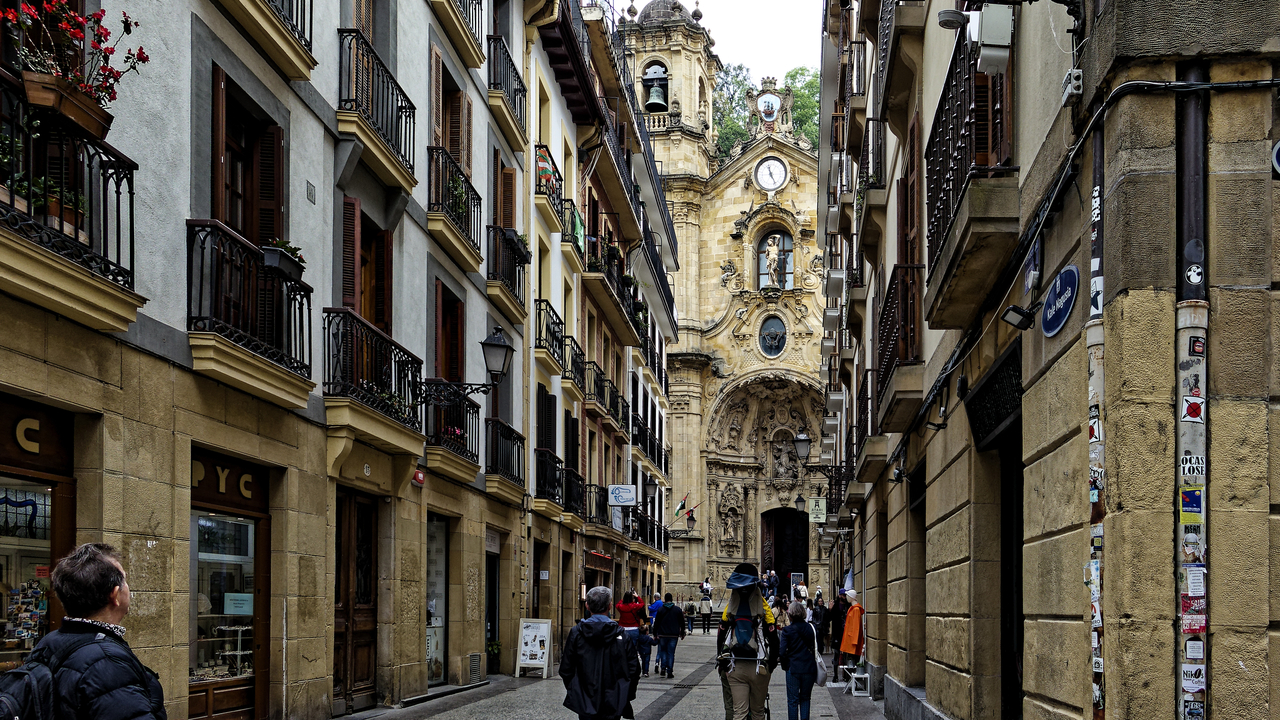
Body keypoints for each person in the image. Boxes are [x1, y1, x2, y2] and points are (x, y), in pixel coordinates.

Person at [33, 542, 166, 720]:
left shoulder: (48, 642)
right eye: (125, 581)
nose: (128, 588)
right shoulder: (108, 662)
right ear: (115, 595)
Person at [561, 586, 640, 720]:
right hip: (614, 699)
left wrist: (577, 691)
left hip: (585, 698)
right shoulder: (622, 635)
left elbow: (566, 668)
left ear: (587, 606)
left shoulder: (577, 633)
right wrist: (623, 695)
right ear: (610, 606)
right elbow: (634, 670)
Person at [717, 562, 778, 720]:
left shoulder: (731, 607)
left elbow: (721, 633)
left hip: (735, 666)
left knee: (739, 713)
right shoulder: (764, 607)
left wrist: (722, 662)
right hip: (758, 667)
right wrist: (771, 665)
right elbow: (774, 639)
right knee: (758, 712)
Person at [779, 602, 819, 720]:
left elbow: (782, 652)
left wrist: (785, 665)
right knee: (805, 699)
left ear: (790, 615)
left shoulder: (787, 630)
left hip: (793, 668)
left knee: (793, 701)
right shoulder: (811, 628)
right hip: (809, 668)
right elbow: (818, 647)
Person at [652, 592, 686, 678]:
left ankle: (663, 668)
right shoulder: (677, 610)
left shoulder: (660, 610)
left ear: (665, 599)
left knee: (663, 651)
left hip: (662, 634)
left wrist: (655, 634)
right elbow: (682, 622)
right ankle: (670, 671)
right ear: (672, 599)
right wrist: (682, 633)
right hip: (673, 635)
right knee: (671, 653)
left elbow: (656, 623)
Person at [839, 590, 866, 671]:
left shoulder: (856, 610)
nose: (846, 597)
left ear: (851, 597)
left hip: (852, 640)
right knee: (849, 662)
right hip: (850, 638)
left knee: (851, 662)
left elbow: (856, 626)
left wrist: (854, 640)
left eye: (848, 596)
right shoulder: (852, 609)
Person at [830, 591, 849, 667]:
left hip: (846, 632)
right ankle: (835, 671)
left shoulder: (848, 605)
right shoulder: (836, 606)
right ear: (839, 595)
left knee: (846, 653)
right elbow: (829, 618)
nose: (844, 597)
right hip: (837, 633)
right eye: (843, 595)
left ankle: (845, 671)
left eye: (845, 595)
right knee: (836, 653)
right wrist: (830, 609)